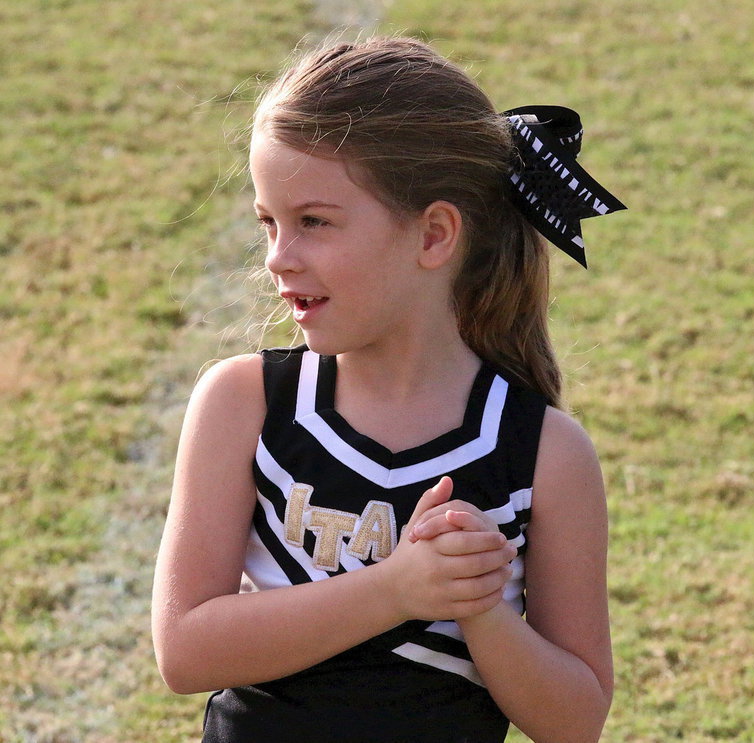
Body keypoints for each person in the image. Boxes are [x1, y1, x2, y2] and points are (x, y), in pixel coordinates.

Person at [152, 35, 625, 743]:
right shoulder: (245, 403)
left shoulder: (543, 453)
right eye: (269, 222)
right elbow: (185, 650)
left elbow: (575, 719)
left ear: (433, 235)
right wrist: (394, 589)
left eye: (313, 221)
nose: (279, 257)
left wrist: (483, 612)